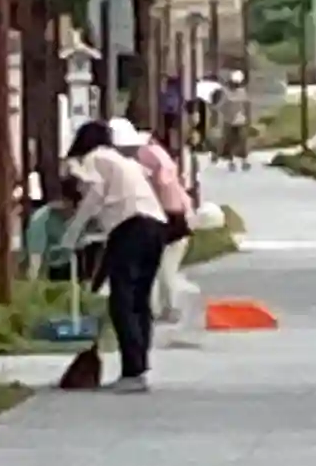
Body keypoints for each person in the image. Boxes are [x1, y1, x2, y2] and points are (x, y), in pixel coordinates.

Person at [62, 120, 169, 392]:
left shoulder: (93, 158)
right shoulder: (122, 161)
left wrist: (72, 232)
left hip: (131, 227)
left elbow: (95, 195)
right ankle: (139, 367)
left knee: (122, 299)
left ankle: (132, 370)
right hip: (155, 226)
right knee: (140, 299)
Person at [108, 116, 194, 323]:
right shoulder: (154, 151)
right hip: (174, 215)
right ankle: (159, 309)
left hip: (166, 217)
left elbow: (162, 182)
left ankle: (165, 309)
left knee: (163, 268)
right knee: (160, 267)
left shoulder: (145, 156)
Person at [24, 176, 105, 283]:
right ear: (66, 202)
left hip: (83, 266)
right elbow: (35, 259)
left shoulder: (90, 217)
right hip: (53, 268)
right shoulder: (41, 220)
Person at [216, 70, 252, 170]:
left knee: (242, 141)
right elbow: (221, 106)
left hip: (240, 121)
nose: (235, 85)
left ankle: (244, 161)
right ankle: (232, 162)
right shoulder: (226, 93)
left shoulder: (241, 92)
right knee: (231, 141)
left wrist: (247, 117)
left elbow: (246, 105)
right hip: (230, 121)